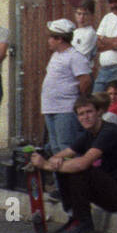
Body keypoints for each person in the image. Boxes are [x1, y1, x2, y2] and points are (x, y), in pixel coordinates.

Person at [30, 93, 117, 233]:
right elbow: (65, 153)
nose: (85, 117)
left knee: (80, 169)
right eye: (81, 114)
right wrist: (55, 159)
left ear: (98, 112)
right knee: (66, 166)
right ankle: (74, 217)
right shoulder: (89, 134)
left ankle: (84, 224)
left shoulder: (109, 132)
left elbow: (83, 164)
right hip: (108, 188)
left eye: (89, 112)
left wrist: (45, 165)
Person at [40, 19, 92, 155]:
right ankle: (60, 176)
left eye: (51, 37)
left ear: (60, 39)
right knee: (55, 147)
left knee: (66, 147)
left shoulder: (75, 57)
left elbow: (85, 80)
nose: (48, 40)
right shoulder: (55, 56)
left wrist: (78, 100)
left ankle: (74, 176)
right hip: (50, 107)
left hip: (65, 108)